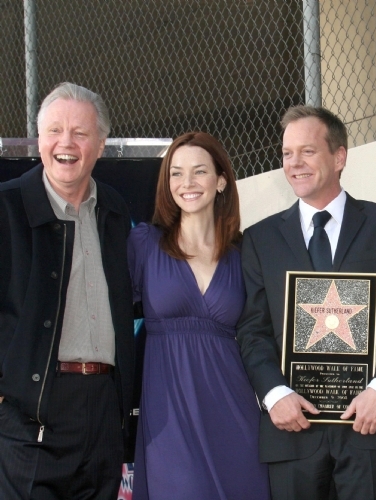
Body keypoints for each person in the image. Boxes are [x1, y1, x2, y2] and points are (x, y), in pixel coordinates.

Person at [236, 106, 376, 500]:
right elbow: (252, 329)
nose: (294, 164)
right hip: (292, 429)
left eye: (307, 151)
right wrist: (274, 395)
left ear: (339, 157)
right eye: (287, 153)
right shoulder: (259, 240)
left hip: (368, 426)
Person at [0, 82, 135, 499]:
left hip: (103, 411)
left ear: (100, 143)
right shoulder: (5, 208)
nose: (66, 143)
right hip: (29, 413)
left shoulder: (114, 209)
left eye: (80, 132)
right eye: (55, 130)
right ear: (38, 140)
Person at [127, 132, 270, 500]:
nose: (186, 183)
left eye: (199, 172)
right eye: (176, 173)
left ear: (221, 180)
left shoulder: (246, 254)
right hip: (168, 414)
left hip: (233, 411)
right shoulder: (144, 245)